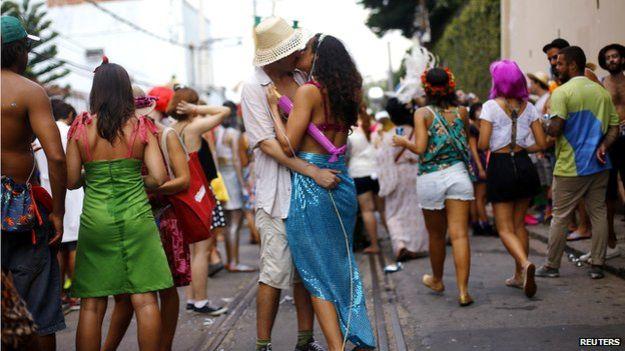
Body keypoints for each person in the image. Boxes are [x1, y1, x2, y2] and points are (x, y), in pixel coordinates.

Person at [268, 32, 376, 350]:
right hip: (341, 181)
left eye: (304, 50)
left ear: (316, 57)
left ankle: (336, 346)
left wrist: (275, 109)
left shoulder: (309, 93)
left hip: (312, 184)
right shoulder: (351, 92)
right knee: (341, 264)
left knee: (315, 270)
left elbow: (288, 144)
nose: (298, 54)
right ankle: (351, 334)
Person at [241, 17, 342, 351]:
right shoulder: (253, 88)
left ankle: (305, 340)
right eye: (291, 50)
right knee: (274, 272)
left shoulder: (302, 78)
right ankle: (263, 344)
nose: (298, 53)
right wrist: (311, 171)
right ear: (275, 56)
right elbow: (268, 145)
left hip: (311, 191)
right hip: (277, 193)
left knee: (305, 271)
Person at [66, 58, 172, 351]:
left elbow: (72, 180)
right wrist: (134, 179)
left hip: (96, 220)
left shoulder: (80, 129)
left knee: (92, 304)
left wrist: (94, 174)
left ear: (95, 91)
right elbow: (159, 177)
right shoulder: (141, 127)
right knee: (145, 299)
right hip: (137, 217)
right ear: (126, 91)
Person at [102, 90, 192, 351]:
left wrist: (148, 187)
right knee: (127, 295)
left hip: (163, 219)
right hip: (129, 220)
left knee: (166, 288)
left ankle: (164, 346)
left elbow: (183, 180)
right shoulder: (121, 136)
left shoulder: (165, 135)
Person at [1, 15, 67, 351]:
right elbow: (56, 156)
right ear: (19, 51)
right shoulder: (30, 92)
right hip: (25, 213)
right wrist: (58, 212)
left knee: (5, 311)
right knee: (38, 307)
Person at [536, 46, 620, 280]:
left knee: (560, 216)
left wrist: (543, 122)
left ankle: (552, 266)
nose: (556, 67)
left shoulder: (562, 93)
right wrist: (603, 146)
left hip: (570, 167)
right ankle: (597, 265)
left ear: (573, 65)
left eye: (560, 63)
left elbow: (555, 129)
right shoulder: (601, 91)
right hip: (599, 164)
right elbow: (614, 127)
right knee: (599, 213)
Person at [393, 67, 475, 306]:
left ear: (425, 88)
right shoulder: (462, 111)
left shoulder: (422, 113)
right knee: (459, 235)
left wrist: (401, 141)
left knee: (436, 235)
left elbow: (419, 148)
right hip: (459, 175)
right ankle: (463, 291)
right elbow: (466, 141)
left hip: (430, 178)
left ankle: (438, 279)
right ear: (451, 84)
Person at [478, 60, 547, 298]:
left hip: (501, 166)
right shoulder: (530, 107)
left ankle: (525, 264)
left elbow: (483, 144)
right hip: (525, 166)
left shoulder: (490, 107)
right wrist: (522, 147)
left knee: (504, 227)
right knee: (519, 225)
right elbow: (542, 142)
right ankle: (519, 275)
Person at [166, 87, 230, 315]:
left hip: (179, 195)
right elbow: (224, 111)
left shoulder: (168, 130)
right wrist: (198, 108)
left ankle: (192, 299)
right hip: (198, 193)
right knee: (201, 251)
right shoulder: (193, 128)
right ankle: (201, 300)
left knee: (191, 250)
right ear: (190, 106)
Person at [33, 99, 84, 311]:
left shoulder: (36, 138)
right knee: (73, 246)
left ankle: (61, 294)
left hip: (47, 193)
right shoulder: (70, 133)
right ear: (70, 116)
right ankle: (79, 294)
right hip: (71, 193)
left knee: (58, 247)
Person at [543, 38, 594, 241]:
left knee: (582, 193)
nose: (553, 63)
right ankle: (575, 226)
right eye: (550, 60)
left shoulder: (585, 75)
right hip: (565, 145)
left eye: (556, 58)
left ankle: (584, 227)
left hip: (581, 144)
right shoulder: (559, 80)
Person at [377, 98, 429, 261]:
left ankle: (400, 245)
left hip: (397, 175)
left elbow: (383, 158)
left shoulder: (390, 135)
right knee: (416, 211)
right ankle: (419, 246)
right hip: (417, 173)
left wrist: (385, 184)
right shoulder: (418, 131)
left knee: (394, 212)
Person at [215, 101, 255, 272]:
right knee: (236, 223)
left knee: (226, 223)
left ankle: (229, 260)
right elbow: (238, 161)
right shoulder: (234, 133)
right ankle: (234, 262)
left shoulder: (215, 132)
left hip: (220, 179)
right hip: (232, 177)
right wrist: (243, 183)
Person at [598, 43, 625, 250]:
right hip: (611, 137)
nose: (612, 60)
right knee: (609, 188)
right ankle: (609, 229)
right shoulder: (601, 83)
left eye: (615, 56)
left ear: (622, 58)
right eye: (608, 58)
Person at [348, 107, 384, 254]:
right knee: (382, 210)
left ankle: (374, 244)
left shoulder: (349, 130)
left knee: (367, 210)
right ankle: (397, 241)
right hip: (376, 171)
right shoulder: (372, 126)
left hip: (359, 173)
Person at [467, 102, 493, 236]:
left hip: (480, 161)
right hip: (477, 162)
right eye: (478, 109)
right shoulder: (472, 128)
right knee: (480, 196)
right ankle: (485, 224)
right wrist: (480, 167)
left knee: (477, 196)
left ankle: (477, 224)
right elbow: (473, 149)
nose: (481, 111)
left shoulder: (481, 126)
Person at [239, 124, 261, 244]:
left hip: (250, 172)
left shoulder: (244, 137)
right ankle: (259, 237)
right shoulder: (264, 130)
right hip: (264, 170)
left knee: (249, 210)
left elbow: (243, 162)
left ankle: (257, 237)